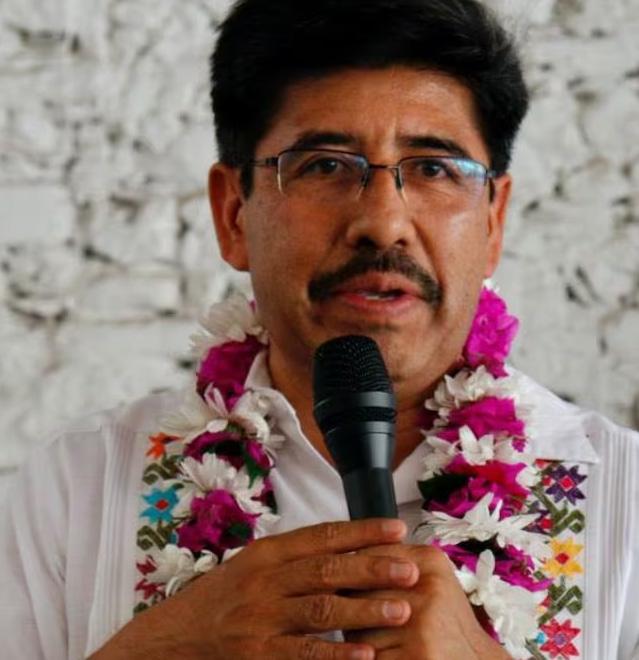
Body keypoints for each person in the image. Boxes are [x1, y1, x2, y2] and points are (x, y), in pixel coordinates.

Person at [1, 0, 638, 658]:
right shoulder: (81, 485)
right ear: (233, 212)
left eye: (433, 169)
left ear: (493, 221)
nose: (383, 223)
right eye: (326, 166)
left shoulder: (626, 498)